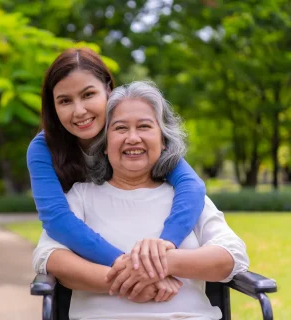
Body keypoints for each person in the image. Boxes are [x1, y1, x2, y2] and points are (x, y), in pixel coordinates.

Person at [32, 81, 249, 320]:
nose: (132, 138)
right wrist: (134, 281)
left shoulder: (186, 199)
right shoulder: (81, 196)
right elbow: (50, 257)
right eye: (120, 128)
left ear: (163, 140)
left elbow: (232, 256)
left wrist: (165, 262)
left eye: (144, 126)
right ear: (104, 145)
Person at [27, 47, 206, 280]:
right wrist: (127, 265)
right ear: (53, 107)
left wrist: (162, 247)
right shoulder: (43, 149)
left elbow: (192, 186)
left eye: (88, 94)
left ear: (108, 91)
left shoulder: (135, 140)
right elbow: (57, 219)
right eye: (65, 101)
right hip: (88, 263)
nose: (79, 111)